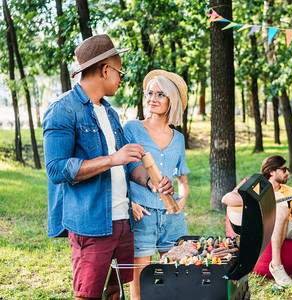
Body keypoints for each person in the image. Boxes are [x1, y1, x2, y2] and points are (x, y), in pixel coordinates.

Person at [43, 34, 174, 300]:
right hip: (91, 225)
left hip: (123, 222)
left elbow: (127, 164)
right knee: (88, 294)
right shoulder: (63, 110)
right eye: (120, 71)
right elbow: (56, 169)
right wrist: (112, 159)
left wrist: (151, 183)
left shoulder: (110, 113)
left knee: (116, 289)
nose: (122, 78)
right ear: (105, 69)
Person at [123, 70, 190, 299]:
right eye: (149, 93)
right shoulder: (132, 129)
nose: (152, 98)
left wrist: (182, 199)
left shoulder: (178, 138)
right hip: (143, 214)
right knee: (140, 277)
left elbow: (183, 180)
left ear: (172, 100)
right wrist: (129, 202)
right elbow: (121, 170)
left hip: (172, 217)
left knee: (175, 274)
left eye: (160, 94)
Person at [222, 155, 292, 291]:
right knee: (282, 209)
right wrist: (257, 201)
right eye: (284, 169)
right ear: (272, 171)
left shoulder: (290, 191)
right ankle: (276, 265)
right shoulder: (257, 187)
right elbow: (227, 199)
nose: (288, 172)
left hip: (288, 226)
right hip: (263, 226)